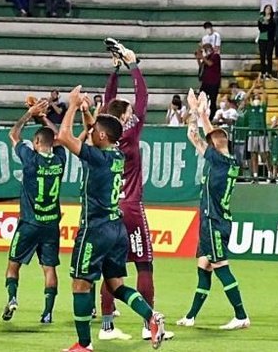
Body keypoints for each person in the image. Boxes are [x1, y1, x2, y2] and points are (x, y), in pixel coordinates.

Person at [53, 86, 166, 352]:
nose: (90, 133)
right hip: (117, 228)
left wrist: (70, 105)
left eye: (94, 132)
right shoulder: (116, 154)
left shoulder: (96, 156)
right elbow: (97, 130)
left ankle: (83, 345)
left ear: (102, 136)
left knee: (80, 284)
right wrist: (86, 111)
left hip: (95, 228)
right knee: (116, 286)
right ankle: (151, 317)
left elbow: (64, 136)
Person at [96, 41, 171, 341]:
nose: (131, 114)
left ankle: (106, 328)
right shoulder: (129, 134)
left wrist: (114, 73)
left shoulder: (103, 137)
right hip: (130, 207)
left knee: (110, 270)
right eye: (127, 113)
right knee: (144, 265)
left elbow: (106, 106)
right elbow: (143, 97)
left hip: (108, 209)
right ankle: (147, 325)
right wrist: (133, 66)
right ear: (124, 118)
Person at [175, 90, 250, 331]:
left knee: (219, 266)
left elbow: (193, 135)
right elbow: (205, 136)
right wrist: (200, 112)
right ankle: (191, 315)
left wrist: (195, 112)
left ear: (216, 146)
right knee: (203, 266)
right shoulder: (229, 161)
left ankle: (241, 315)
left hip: (213, 220)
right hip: (217, 219)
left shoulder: (217, 160)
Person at [1, 100, 66, 325]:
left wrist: (29, 114)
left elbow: (13, 135)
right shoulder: (60, 160)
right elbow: (59, 139)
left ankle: (12, 298)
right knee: (49, 269)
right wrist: (44, 118)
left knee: (13, 264)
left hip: (29, 222)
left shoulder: (30, 159)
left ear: (36, 141)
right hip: (51, 226)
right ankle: (47, 313)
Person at [245, 83, 268, 180]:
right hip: (252, 134)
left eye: (258, 98)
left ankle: (270, 173)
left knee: (265, 155)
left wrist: (261, 89)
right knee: (253, 155)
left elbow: (266, 98)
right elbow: (245, 98)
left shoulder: (262, 108)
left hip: (262, 134)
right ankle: (255, 175)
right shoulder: (250, 108)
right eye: (255, 98)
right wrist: (253, 87)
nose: (256, 99)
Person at [196, 42, 221, 109]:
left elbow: (210, 63)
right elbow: (201, 66)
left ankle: (212, 114)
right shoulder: (207, 57)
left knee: (212, 100)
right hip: (206, 82)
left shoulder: (215, 56)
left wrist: (202, 57)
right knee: (201, 97)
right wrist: (198, 58)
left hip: (213, 82)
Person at [257, 4, 276, 79]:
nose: (268, 10)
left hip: (270, 40)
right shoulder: (261, 19)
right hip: (262, 39)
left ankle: (269, 72)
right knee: (262, 56)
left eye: (269, 9)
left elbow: (272, 29)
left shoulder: (273, 20)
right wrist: (266, 25)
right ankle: (263, 72)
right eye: (267, 8)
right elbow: (261, 28)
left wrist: (266, 25)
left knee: (269, 56)